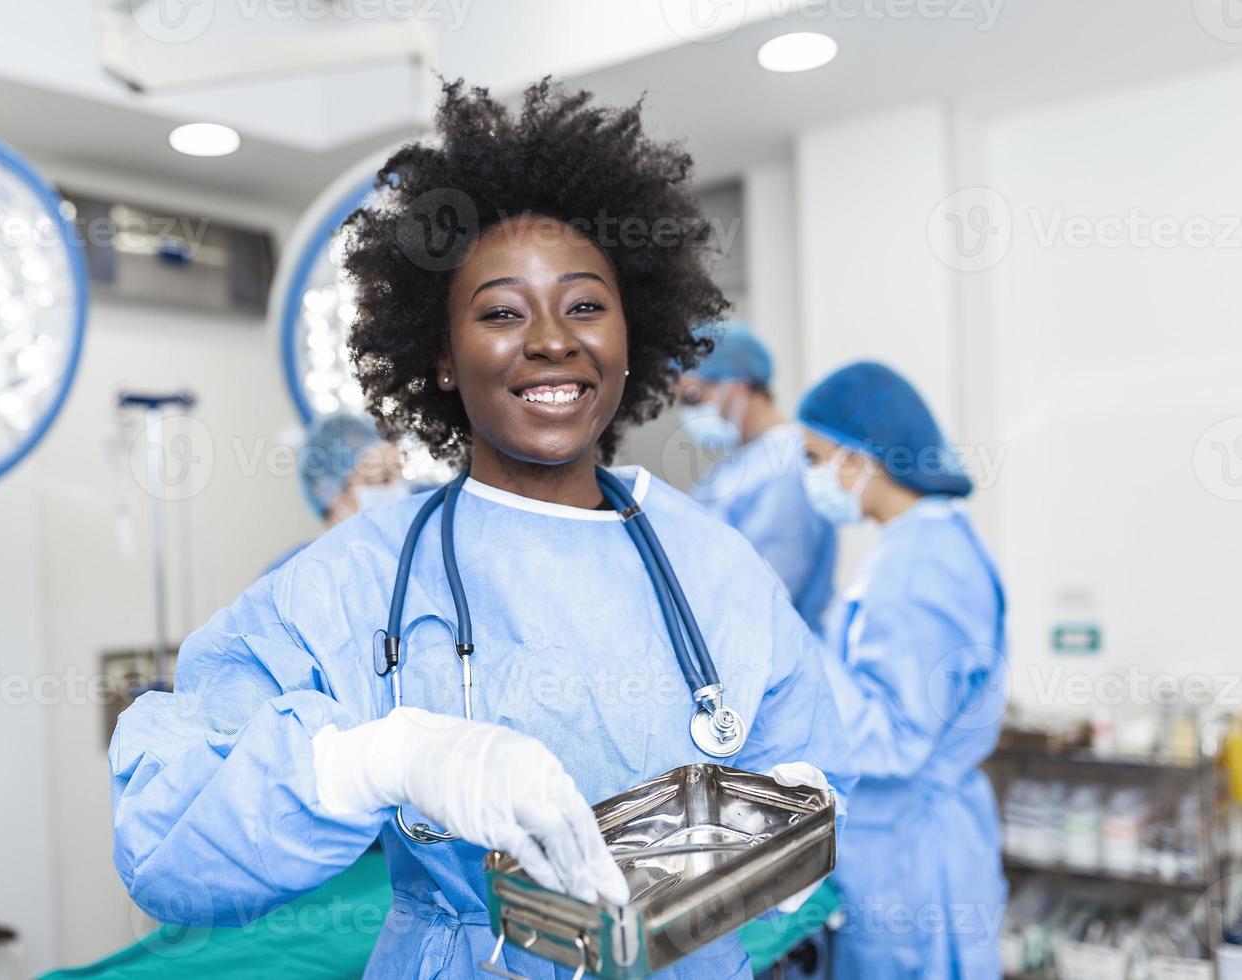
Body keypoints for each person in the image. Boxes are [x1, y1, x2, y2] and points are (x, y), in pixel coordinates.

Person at [109, 80, 856, 979]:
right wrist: (385, 760)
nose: (551, 341)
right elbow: (161, 840)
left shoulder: (710, 564)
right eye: (501, 312)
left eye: (585, 306)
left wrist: (799, 805)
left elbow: (812, 760)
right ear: (440, 354)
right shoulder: (360, 580)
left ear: (635, 332)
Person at [797, 362, 1007, 979]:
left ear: (860, 458)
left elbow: (895, 740)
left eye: (816, 458)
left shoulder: (920, 568)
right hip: (904, 846)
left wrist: (800, 654)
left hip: (914, 861)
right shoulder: (918, 546)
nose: (812, 479)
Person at [677, 323, 837, 631]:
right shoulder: (732, 465)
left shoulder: (786, 466)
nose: (686, 411)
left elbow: (770, 589)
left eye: (693, 396)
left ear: (737, 386)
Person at [262, 412, 413, 575]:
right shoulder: (296, 574)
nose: (399, 489)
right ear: (330, 492)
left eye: (399, 474)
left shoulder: (404, 555)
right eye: (383, 479)